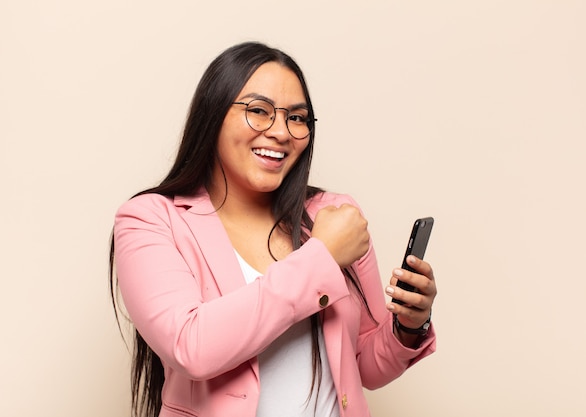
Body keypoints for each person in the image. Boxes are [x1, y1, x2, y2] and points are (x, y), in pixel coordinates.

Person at [109, 41, 437, 417]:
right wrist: (322, 258)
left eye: (296, 118)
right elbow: (191, 347)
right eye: (259, 111)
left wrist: (409, 326)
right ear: (212, 115)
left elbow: (365, 366)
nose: (281, 132)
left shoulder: (332, 216)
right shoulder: (150, 220)